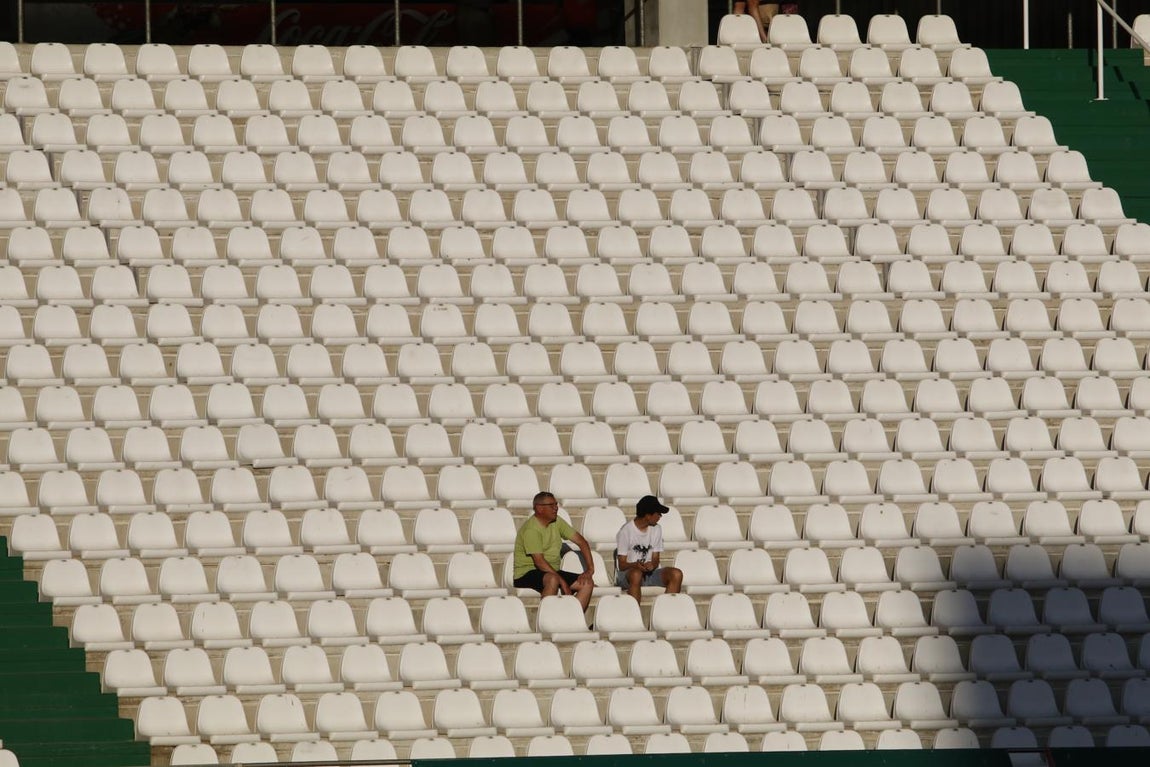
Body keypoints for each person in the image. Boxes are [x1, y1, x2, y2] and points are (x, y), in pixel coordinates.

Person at [512, 491, 596, 612]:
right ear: (539, 508)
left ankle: (570, 620)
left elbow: (581, 542)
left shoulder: (557, 521)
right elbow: (539, 562)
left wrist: (590, 570)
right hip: (526, 573)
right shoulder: (531, 530)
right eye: (551, 505)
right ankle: (546, 620)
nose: (556, 508)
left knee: (587, 584)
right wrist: (563, 582)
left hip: (551, 571)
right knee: (553, 579)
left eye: (556, 504)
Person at [615, 495, 683, 601]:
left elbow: (656, 558)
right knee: (636, 574)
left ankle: (667, 612)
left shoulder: (657, 529)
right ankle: (635, 614)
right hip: (629, 574)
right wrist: (636, 565)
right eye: (658, 513)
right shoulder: (625, 531)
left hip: (649, 574)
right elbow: (622, 565)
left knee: (676, 574)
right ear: (647, 515)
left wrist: (652, 564)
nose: (660, 516)